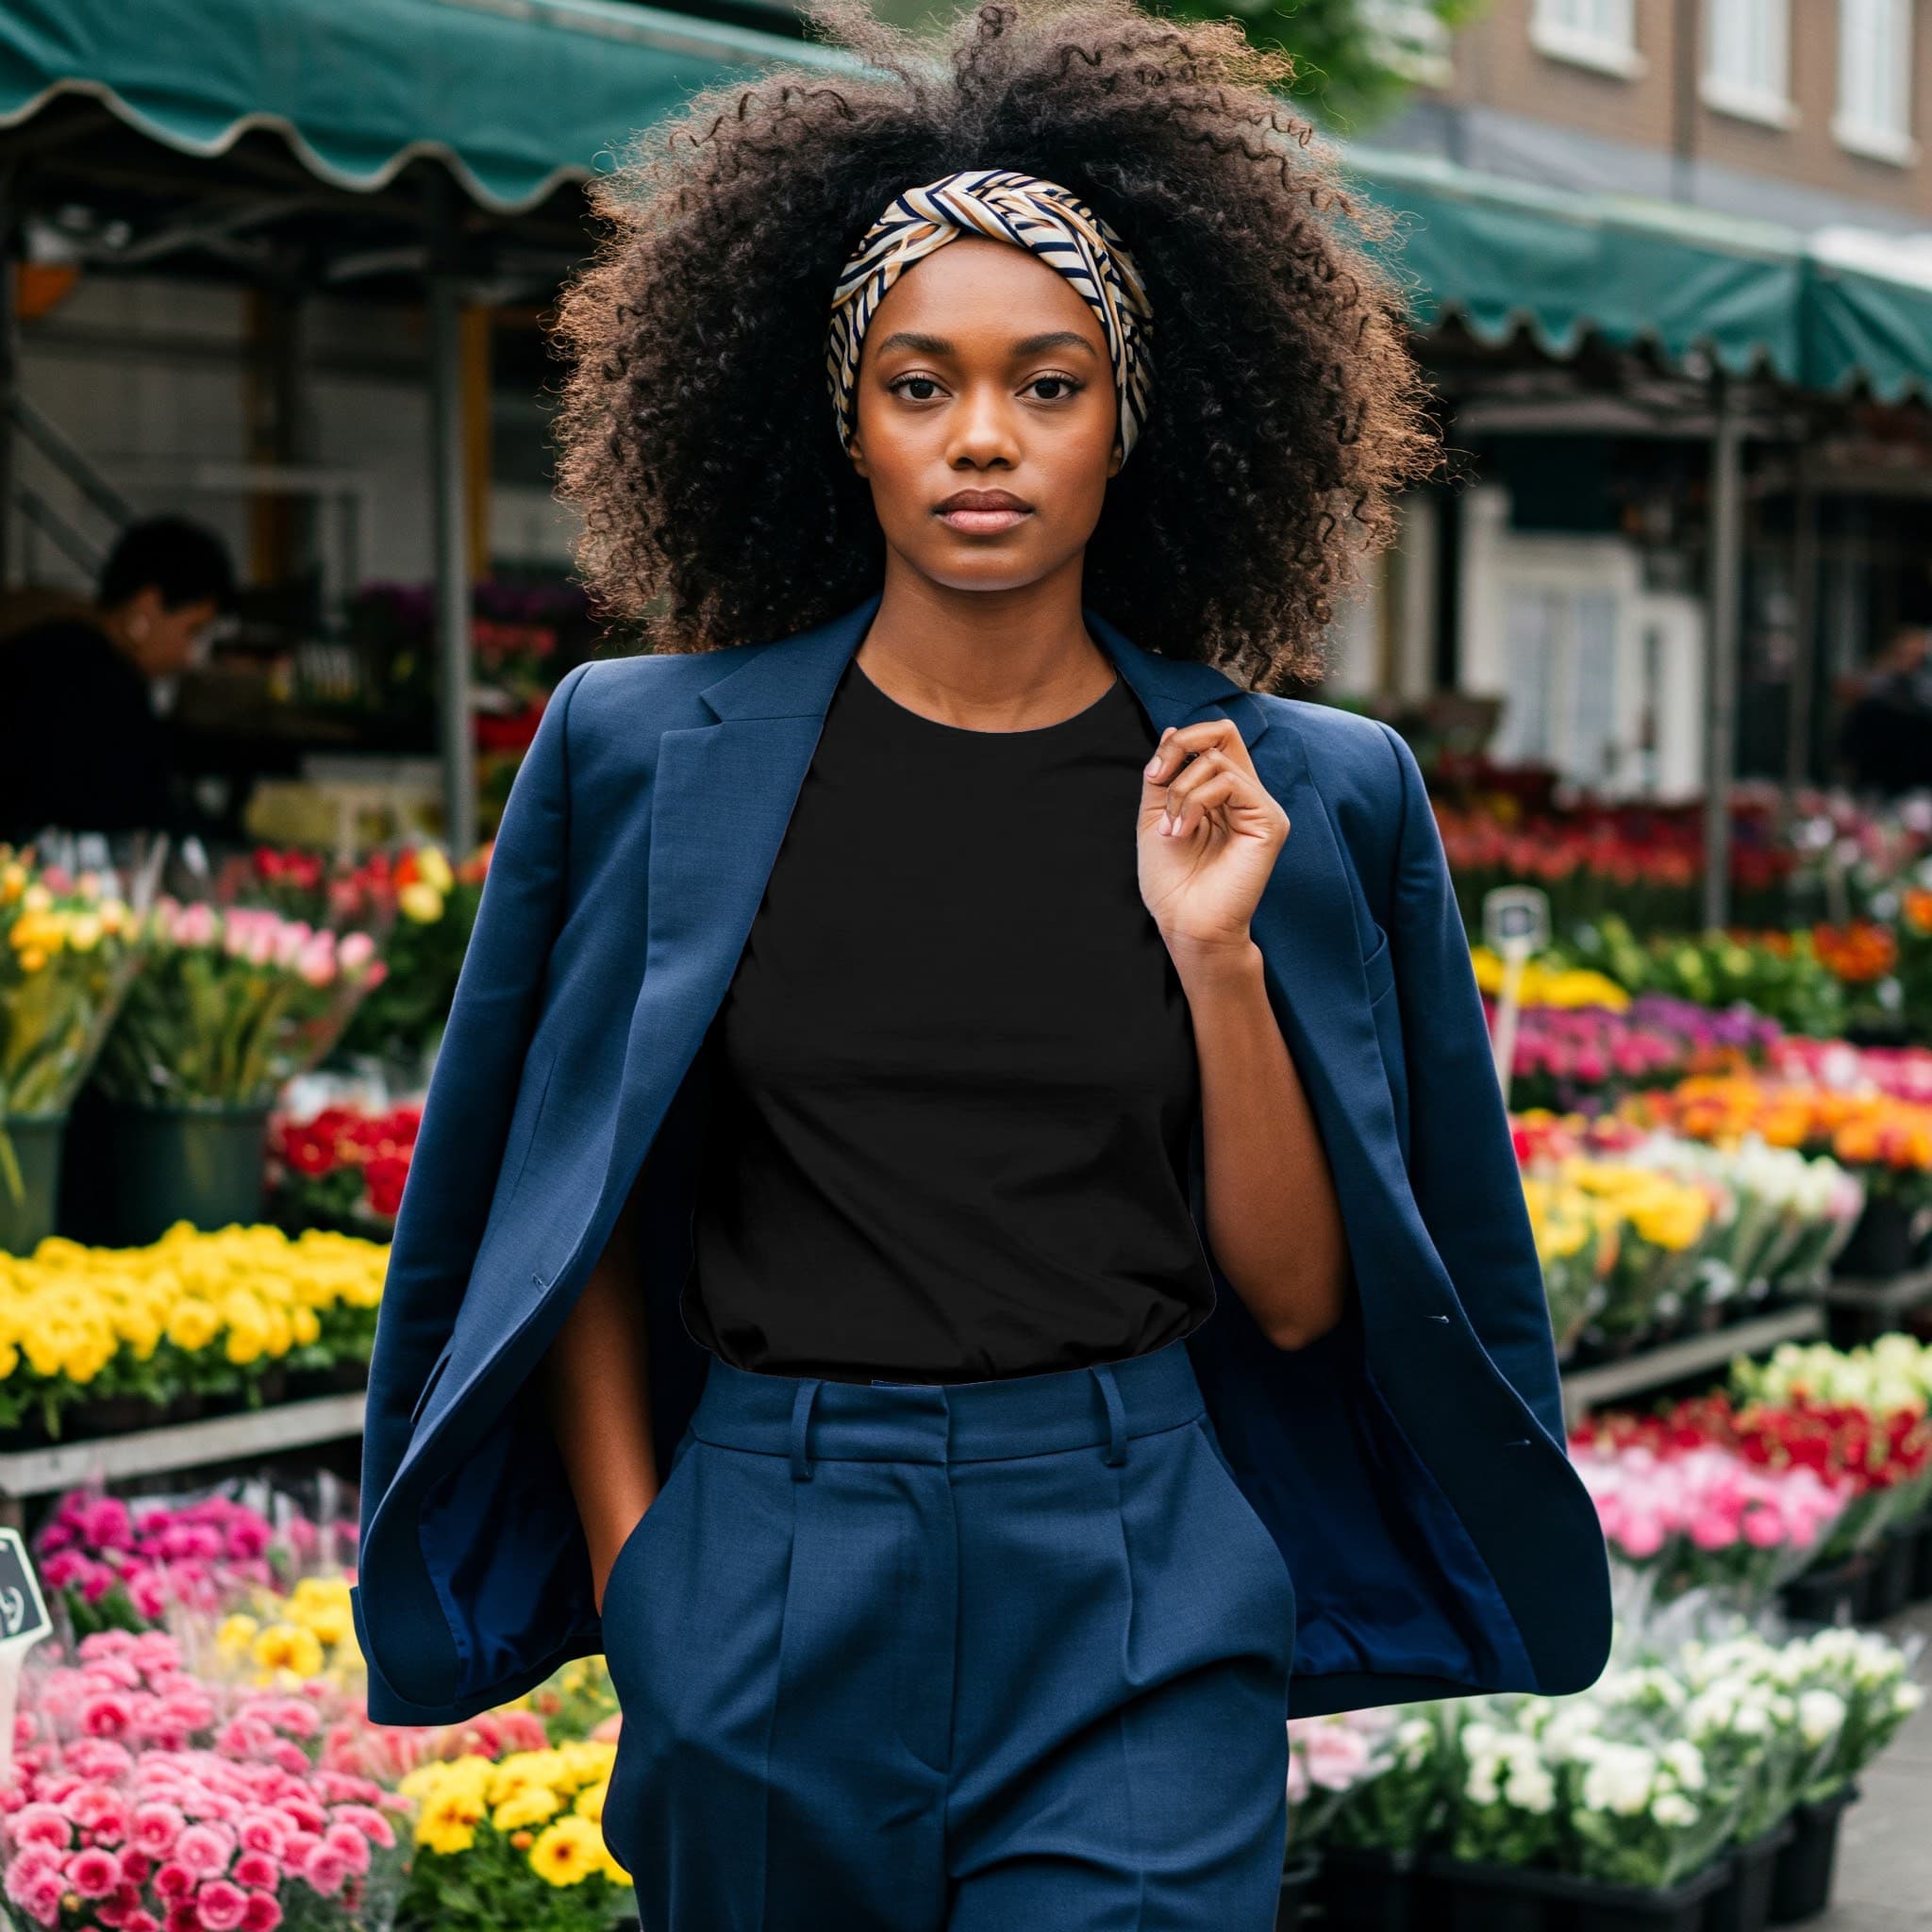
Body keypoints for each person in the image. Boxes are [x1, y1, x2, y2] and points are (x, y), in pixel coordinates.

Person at [351, 3, 1612, 1926]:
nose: (983, 442)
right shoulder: (636, 754)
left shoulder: (1297, 794)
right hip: (768, 1554)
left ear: (1130, 420)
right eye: (921, 384)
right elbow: (567, 1219)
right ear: (842, 420)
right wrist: (648, 1584)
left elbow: (1289, 1300)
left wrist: (1219, 962)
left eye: (1048, 382)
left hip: (1132, 1558)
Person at [0, 514, 234, 845]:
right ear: (147, 608)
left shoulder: (49, 648)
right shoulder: (101, 685)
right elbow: (135, 810)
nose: (191, 655)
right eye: (192, 631)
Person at [1837, 625, 1932, 796]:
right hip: (1876, 780)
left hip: (1917, 783)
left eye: (1916, 657)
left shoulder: (1922, 691)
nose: (1909, 661)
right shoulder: (1875, 690)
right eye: (1905, 654)